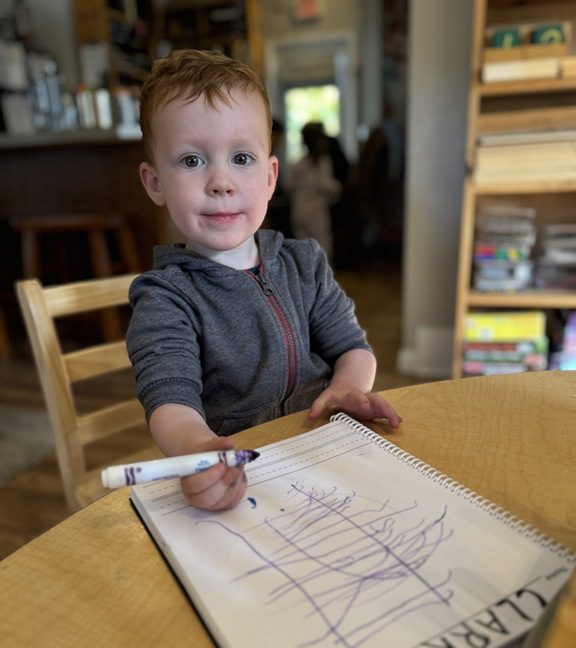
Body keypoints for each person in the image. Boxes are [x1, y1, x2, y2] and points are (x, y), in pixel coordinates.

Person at [127, 49, 402, 513]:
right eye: (192, 160)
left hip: (323, 455)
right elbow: (171, 403)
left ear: (271, 176)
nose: (221, 182)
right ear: (155, 183)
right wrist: (199, 450)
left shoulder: (304, 263)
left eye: (241, 158)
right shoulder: (165, 298)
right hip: (241, 479)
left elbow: (353, 349)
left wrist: (347, 387)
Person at [286, 121, 342, 263]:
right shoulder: (323, 162)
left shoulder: (297, 164)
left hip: (298, 208)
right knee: (322, 247)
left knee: (303, 249)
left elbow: (288, 185)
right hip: (316, 211)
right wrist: (338, 188)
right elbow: (326, 184)